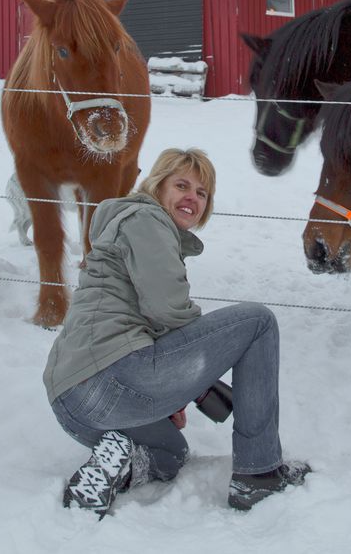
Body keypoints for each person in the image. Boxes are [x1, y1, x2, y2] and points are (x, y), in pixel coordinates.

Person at [43, 147, 309, 518]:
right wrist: (194, 384)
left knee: (170, 455)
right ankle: (259, 475)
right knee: (257, 323)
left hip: (75, 404)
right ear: (157, 185)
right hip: (111, 376)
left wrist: (179, 387)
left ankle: (114, 460)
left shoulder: (131, 224)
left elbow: (154, 319)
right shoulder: (146, 219)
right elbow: (169, 309)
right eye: (182, 185)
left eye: (202, 193)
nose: (192, 198)